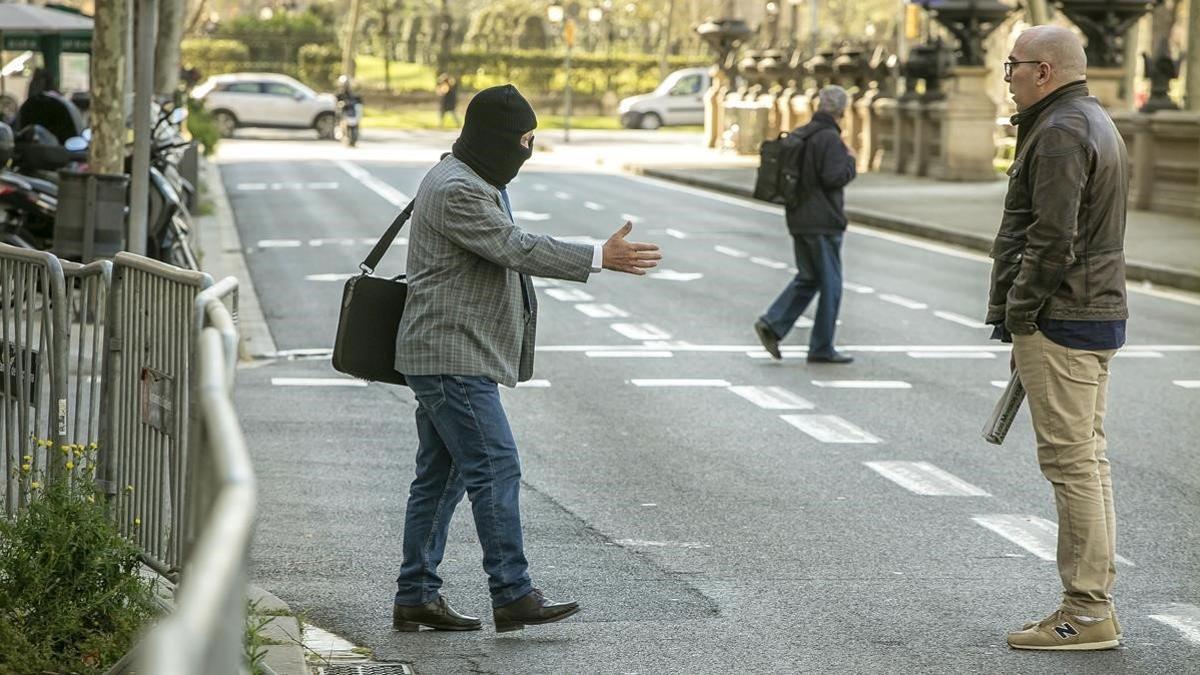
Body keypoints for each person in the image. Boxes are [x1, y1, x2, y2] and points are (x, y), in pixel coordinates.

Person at [391, 84, 662, 633]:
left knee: (441, 478)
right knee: (495, 466)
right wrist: (597, 256)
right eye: (523, 140)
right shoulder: (459, 188)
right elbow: (513, 247)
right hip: (451, 352)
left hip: (452, 349)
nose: (527, 151)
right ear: (496, 139)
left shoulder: (472, 175)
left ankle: (416, 593)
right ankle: (512, 593)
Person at [988, 25, 1129, 651]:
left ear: (1043, 70)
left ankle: (1087, 611)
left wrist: (1020, 311)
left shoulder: (1061, 132)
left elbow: (1051, 239)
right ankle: (1090, 604)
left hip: (1063, 317)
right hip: (1092, 310)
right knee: (1087, 463)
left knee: (1073, 466)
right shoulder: (1089, 119)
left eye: (1012, 65)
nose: (1009, 76)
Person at [753, 85, 858, 364]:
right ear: (842, 111)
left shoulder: (803, 132)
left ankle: (772, 324)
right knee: (831, 284)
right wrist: (851, 161)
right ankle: (822, 347)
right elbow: (833, 177)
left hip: (798, 216)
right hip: (823, 221)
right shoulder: (829, 139)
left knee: (809, 277)